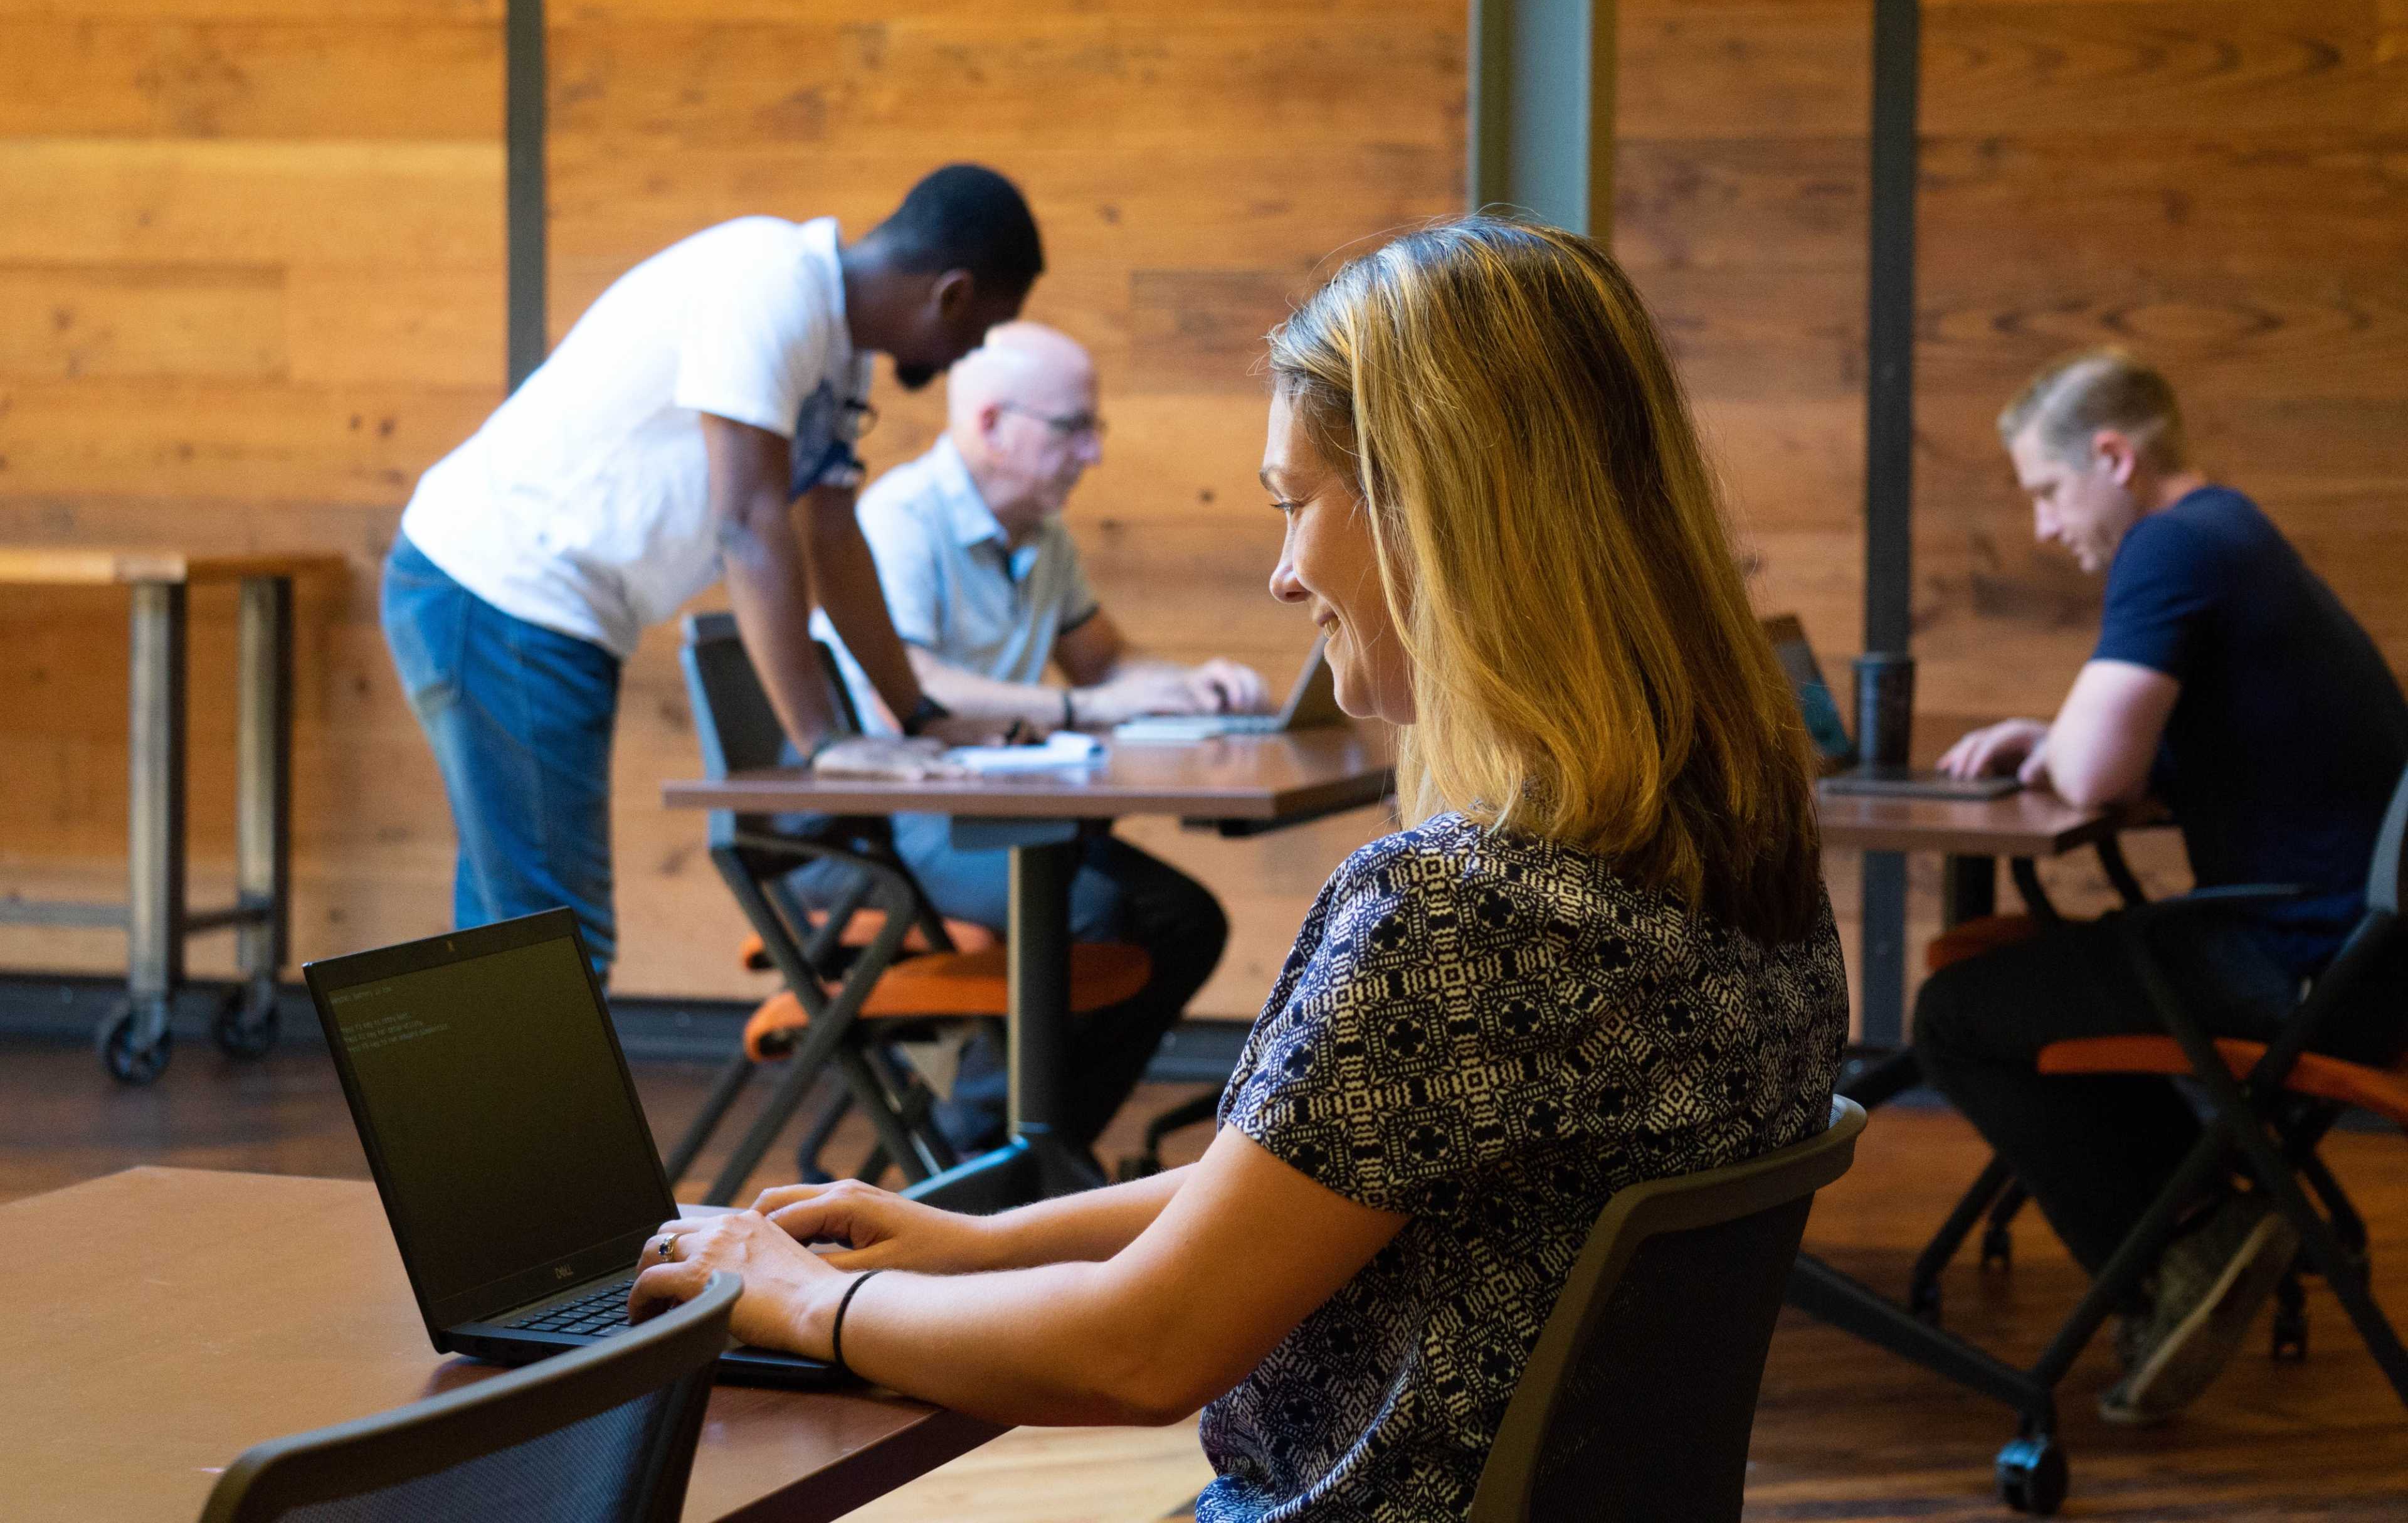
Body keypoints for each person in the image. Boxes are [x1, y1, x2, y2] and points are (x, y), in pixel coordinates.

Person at [627, 218, 1849, 1520]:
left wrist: (812, 1298)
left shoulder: (1454, 916)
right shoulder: (1747, 863)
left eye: (1293, 505)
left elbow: (1141, 1347)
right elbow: (1298, 1179)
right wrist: (978, 1238)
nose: (1281, 574)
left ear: (1435, 507)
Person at [381, 165, 1042, 979]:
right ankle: (512, 1111)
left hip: (537, 608)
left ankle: (472, 1110)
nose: (966, 355)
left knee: (515, 931)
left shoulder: (837, 352)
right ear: (950, 294)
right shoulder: (768, 285)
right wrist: (825, 740)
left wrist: (919, 712)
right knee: (549, 941)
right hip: (496, 591)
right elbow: (749, 522)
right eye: (979, 334)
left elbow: (833, 540)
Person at [1917, 348, 2408, 1423]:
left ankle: (2191, 1241)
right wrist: (2052, 736)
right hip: (2358, 963)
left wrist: (2060, 748)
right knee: (2042, 980)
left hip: (2301, 969)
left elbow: (2098, 776)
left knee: (1955, 1012)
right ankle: (2207, 1220)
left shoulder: (2172, 544)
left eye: (2048, 491)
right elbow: (2134, 764)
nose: (2047, 528)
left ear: (2113, 457)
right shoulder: (2234, 533)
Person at [808, 321, 1265, 1157]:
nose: (1092, 453)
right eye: (1073, 428)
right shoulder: (900, 519)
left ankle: (1033, 1149)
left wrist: (1184, 687)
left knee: (1185, 921)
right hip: (890, 823)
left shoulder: (1044, 537)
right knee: (1095, 910)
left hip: (1004, 820)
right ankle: (977, 1151)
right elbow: (909, 688)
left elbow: (1104, 662)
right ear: (990, 424)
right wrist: (1080, 710)